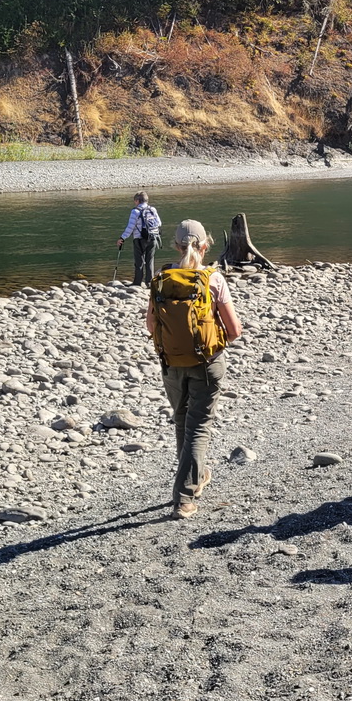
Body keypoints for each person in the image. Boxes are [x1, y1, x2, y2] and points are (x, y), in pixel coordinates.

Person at [146, 220, 243, 520]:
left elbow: (151, 325)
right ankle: (184, 497)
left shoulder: (162, 278)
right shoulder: (212, 279)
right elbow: (235, 330)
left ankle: (196, 478)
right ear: (205, 246)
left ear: (175, 246)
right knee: (198, 427)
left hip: (171, 364)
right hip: (207, 364)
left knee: (182, 421)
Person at [118, 191, 162, 287]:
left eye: (135, 201)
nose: (134, 203)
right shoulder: (152, 209)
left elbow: (130, 227)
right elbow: (159, 223)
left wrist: (122, 238)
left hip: (140, 239)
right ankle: (149, 283)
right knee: (150, 260)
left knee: (139, 261)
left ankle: (137, 282)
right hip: (153, 237)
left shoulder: (135, 211)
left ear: (137, 200)